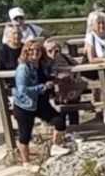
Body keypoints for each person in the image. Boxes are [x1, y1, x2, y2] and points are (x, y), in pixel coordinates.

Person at [13, 38, 70, 167]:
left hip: (41, 103)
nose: (35, 52)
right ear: (26, 52)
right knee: (25, 135)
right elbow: (22, 90)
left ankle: (55, 146)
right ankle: (26, 163)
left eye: (38, 50)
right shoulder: (23, 68)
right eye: (31, 50)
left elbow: (54, 63)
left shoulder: (43, 64)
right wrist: (43, 87)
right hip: (25, 105)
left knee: (59, 121)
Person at [42, 38, 84, 129]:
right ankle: (60, 132)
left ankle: (74, 131)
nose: (53, 53)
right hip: (54, 92)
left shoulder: (66, 58)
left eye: (56, 51)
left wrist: (74, 78)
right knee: (58, 114)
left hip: (70, 90)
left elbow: (78, 68)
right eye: (49, 51)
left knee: (73, 111)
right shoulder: (43, 62)